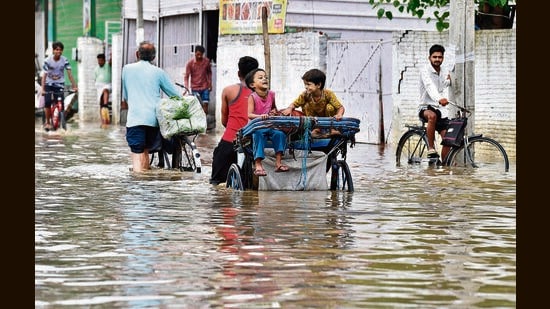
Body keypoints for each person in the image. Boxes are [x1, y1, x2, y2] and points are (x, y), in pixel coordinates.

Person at [122, 41, 184, 173]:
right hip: (154, 120)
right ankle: (146, 186)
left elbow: (126, 96)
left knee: (137, 153)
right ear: (153, 57)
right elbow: (175, 95)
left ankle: (139, 185)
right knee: (145, 150)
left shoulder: (126, 69)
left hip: (135, 118)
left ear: (137, 54)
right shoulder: (158, 72)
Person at [209, 56, 259, 185]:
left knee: (216, 183)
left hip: (231, 140)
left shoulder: (228, 91)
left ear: (238, 73)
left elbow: (224, 121)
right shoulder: (264, 93)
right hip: (256, 143)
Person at [245, 68, 289, 176]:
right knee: (259, 135)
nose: (264, 79)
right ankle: (258, 163)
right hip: (257, 127)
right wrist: (260, 116)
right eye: (260, 78)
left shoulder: (271, 95)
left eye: (265, 77)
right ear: (252, 85)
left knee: (280, 134)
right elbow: (249, 115)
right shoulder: (252, 97)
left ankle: (278, 162)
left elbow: (274, 109)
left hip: (270, 126)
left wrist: (274, 112)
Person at [280, 68, 345, 138]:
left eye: (308, 84)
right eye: (305, 84)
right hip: (313, 120)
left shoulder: (328, 94)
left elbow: (340, 107)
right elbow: (294, 104)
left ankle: (331, 129)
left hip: (328, 121)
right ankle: (315, 129)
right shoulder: (305, 94)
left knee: (330, 107)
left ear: (319, 85)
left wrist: (339, 114)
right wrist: (289, 108)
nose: (306, 87)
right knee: (306, 106)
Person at [418, 44, 452, 161]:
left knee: (448, 139)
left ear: (443, 58)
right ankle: (431, 148)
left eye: (440, 57)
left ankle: (445, 165)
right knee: (432, 116)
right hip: (426, 107)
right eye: (435, 57)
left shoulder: (443, 71)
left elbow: (443, 85)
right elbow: (429, 86)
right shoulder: (425, 70)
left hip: (440, 110)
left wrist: (449, 80)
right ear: (429, 58)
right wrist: (439, 99)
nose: (437, 59)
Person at [41, 41, 78, 131]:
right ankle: (48, 122)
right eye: (57, 50)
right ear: (53, 50)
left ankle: (61, 120)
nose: (59, 52)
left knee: (61, 103)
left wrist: (75, 86)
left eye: (60, 50)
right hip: (48, 84)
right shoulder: (47, 61)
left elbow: (70, 74)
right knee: (48, 102)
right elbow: (44, 76)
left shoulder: (64, 60)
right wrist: (43, 89)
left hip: (60, 84)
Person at [183, 45, 212, 114]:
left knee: (205, 105)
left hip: (205, 87)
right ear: (195, 53)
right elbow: (186, 76)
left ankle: (205, 122)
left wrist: (210, 83)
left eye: (201, 55)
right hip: (195, 88)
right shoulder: (190, 63)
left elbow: (209, 73)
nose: (199, 56)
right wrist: (186, 87)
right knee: (197, 107)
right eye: (198, 54)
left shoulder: (206, 62)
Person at [94, 53, 112, 125]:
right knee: (100, 104)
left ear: (104, 60)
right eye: (98, 61)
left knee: (105, 91)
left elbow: (111, 61)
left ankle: (105, 104)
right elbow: (95, 79)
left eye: (101, 61)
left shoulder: (108, 65)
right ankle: (103, 121)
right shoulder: (96, 69)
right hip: (99, 86)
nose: (99, 62)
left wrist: (111, 54)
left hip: (107, 84)